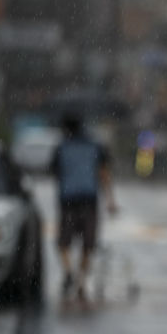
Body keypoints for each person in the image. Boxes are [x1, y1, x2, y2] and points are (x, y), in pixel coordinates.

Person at [52, 114, 117, 300]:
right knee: (88, 244)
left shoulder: (62, 147)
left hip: (67, 200)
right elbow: (103, 173)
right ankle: (80, 281)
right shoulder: (95, 146)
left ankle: (68, 271)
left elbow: (56, 173)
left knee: (63, 241)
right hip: (89, 199)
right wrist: (111, 200)